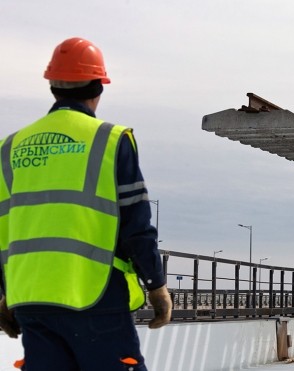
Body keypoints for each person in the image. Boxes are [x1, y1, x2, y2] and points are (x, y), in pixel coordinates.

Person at [0, 37, 172, 370]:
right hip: (95, 296)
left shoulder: (10, 147)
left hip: (30, 299)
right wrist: (156, 285)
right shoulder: (109, 140)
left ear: (52, 86)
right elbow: (136, 224)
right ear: (99, 88)